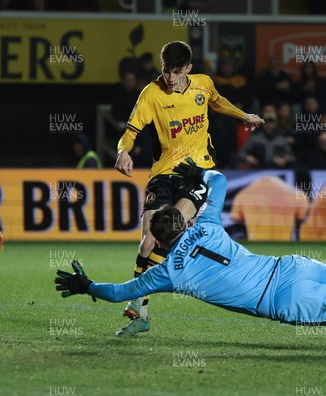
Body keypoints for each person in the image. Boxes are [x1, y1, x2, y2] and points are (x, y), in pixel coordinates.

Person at [55, 164, 326, 351]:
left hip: (289, 301)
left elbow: (120, 292)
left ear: (159, 242)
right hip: (294, 265)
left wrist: (86, 286)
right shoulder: (205, 225)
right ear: (183, 225)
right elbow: (220, 178)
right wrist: (195, 177)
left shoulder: (166, 273)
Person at [114, 41, 264, 336]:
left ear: (189, 69)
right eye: (166, 71)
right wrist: (123, 152)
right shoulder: (151, 93)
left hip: (197, 172)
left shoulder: (203, 85)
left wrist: (244, 116)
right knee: (147, 242)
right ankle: (142, 317)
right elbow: (129, 133)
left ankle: (138, 300)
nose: (170, 78)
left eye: (176, 71)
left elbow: (218, 101)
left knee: (168, 230)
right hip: (162, 174)